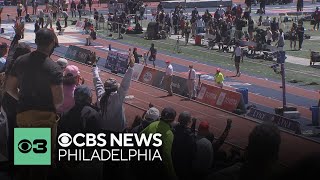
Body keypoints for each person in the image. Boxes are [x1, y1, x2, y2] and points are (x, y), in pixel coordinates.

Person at [5, 28, 62, 179]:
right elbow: (58, 100)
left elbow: (10, 88)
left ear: (36, 42)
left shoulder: (21, 61)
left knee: (27, 160)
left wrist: (23, 99)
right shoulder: (54, 68)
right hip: (44, 118)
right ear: (51, 44)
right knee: (41, 166)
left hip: (24, 115)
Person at [2, 23, 31, 165]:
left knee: (11, 136)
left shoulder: (9, 68)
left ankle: (12, 164)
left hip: (8, 108)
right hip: (25, 111)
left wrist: (17, 37)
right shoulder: (32, 71)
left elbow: (11, 55)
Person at [137, 107, 178, 180]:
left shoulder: (153, 124)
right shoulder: (169, 134)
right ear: (172, 120)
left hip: (142, 162)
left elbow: (140, 136)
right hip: (155, 168)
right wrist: (172, 175)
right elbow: (166, 156)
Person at [172, 111, 196, 180]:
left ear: (179, 119)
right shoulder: (190, 136)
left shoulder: (172, 129)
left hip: (171, 160)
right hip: (183, 165)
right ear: (189, 121)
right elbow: (193, 154)